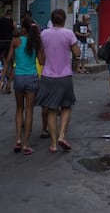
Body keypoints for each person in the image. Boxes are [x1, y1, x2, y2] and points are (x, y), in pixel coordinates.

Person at [35, 9, 80, 153]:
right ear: (64, 20)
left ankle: (53, 144)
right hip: (64, 76)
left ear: (52, 20)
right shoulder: (68, 33)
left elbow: (41, 59)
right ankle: (62, 136)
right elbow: (77, 53)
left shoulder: (44, 34)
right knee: (66, 107)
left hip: (48, 77)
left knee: (51, 111)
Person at [0, 18, 43, 155]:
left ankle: (18, 140)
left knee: (19, 109)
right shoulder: (36, 43)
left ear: (23, 29)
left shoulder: (16, 41)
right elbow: (42, 61)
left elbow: (8, 61)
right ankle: (26, 144)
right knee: (29, 110)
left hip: (18, 78)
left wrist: (2, 79)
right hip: (32, 78)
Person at [0, 9, 16, 93]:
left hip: (0, 42)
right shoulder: (12, 22)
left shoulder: (1, 20)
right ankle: (7, 84)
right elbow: (15, 31)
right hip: (8, 44)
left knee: (4, 64)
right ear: (11, 14)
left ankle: (2, 82)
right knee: (10, 64)